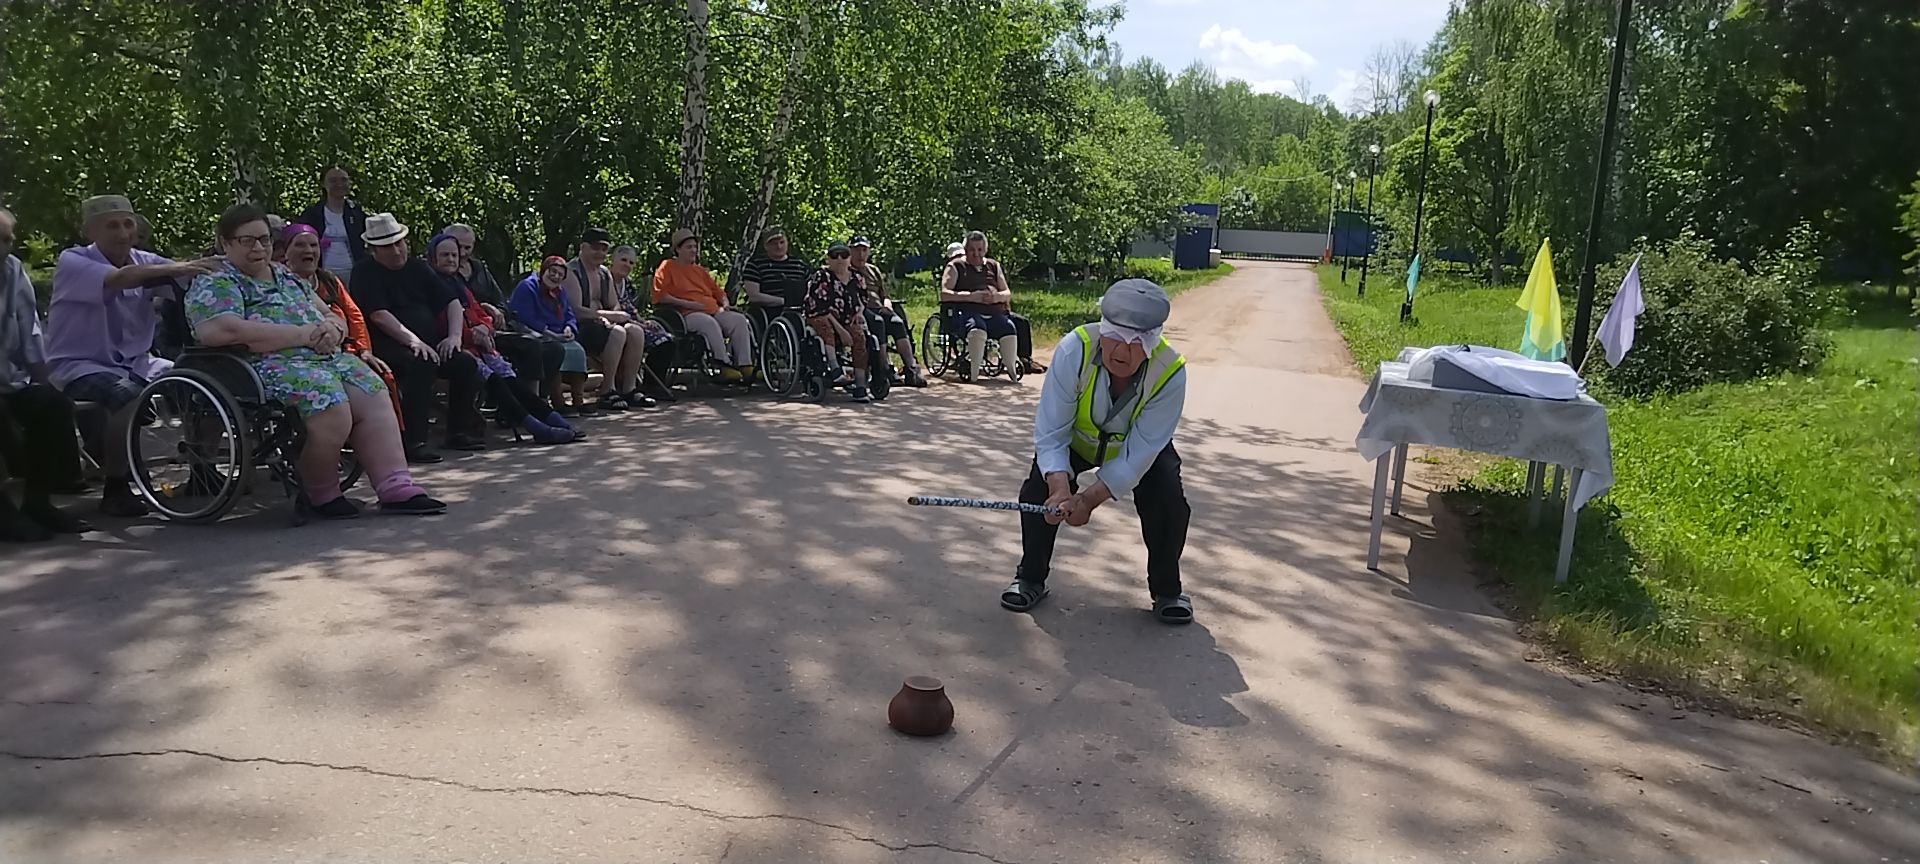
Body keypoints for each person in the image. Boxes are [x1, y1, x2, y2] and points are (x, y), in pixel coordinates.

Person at [185, 203, 444, 517]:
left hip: (322, 357)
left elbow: (328, 313)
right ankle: (321, 491)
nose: (258, 248)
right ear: (224, 243)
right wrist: (303, 335)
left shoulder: (284, 274)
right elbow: (219, 330)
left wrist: (334, 329)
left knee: (373, 389)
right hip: (260, 364)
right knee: (330, 403)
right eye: (247, 240)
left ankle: (395, 486)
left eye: (265, 240)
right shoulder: (217, 279)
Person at [1003, 279, 1192, 625]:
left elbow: (1140, 453)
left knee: (1167, 494)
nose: (1122, 352)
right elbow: (1051, 432)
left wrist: (1088, 500)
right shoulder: (1075, 349)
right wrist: (1060, 489)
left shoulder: (1171, 371)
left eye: (1137, 344)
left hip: (1133, 449)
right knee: (1037, 490)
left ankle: (1167, 590)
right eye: (1115, 339)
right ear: (1102, 331)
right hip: (1077, 441)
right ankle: (1030, 577)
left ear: (1153, 343)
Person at [46, 194, 222, 516]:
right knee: (127, 397)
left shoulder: (144, 259)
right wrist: (177, 267)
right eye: (112, 226)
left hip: (139, 362)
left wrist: (218, 265)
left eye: (128, 224)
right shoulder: (73, 260)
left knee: (208, 384)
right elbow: (119, 279)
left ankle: (203, 467)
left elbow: (184, 277)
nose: (123, 233)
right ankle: (116, 487)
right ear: (91, 232)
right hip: (79, 364)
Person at [349, 212, 486, 461]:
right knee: (421, 364)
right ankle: (414, 440)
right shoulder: (364, 272)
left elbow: (452, 301)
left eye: (399, 243)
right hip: (387, 345)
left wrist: (454, 337)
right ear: (373, 249)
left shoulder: (418, 268)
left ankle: (458, 431)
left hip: (429, 343)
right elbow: (379, 315)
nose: (396, 250)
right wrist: (414, 342)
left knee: (465, 363)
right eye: (388, 246)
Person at [425, 235, 579, 445]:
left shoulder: (458, 284)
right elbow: (439, 325)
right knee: (495, 381)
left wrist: (485, 328)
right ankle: (535, 427)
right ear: (433, 257)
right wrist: (475, 335)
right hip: (456, 347)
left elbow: (481, 313)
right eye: (445, 255)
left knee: (511, 380)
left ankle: (553, 420)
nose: (451, 259)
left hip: (480, 344)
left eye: (454, 254)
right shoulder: (430, 284)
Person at [0, 206, 93, 540]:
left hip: (8, 379)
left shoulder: (12, 271)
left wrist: (45, 381)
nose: (5, 247)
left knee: (53, 405)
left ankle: (38, 502)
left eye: (8, 239)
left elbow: (29, 332)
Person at [281, 223, 402, 426]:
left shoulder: (328, 280)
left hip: (345, 348)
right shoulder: (281, 283)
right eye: (300, 245)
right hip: (309, 354)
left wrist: (364, 350)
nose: (308, 250)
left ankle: (392, 437)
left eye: (313, 245)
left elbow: (354, 315)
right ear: (286, 251)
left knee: (382, 376)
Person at [440, 223, 562, 393]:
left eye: (467, 247)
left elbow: (502, 303)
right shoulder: (445, 273)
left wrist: (494, 312)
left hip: (495, 327)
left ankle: (536, 398)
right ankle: (526, 402)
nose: (463, 252)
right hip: (471, 334)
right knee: (530, 346)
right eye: (458, 246)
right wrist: (484, 314)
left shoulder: (480, 268)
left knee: (554, 348)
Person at [565, 227, 654, 410]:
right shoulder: (571, 271)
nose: (600, 253)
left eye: (604, 249)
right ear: (583, 247)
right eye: (595, 248)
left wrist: (612, 316)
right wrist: (607, 316)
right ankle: (607, 389)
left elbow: (614, 304)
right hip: (578, 327)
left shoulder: (604, 273)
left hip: (603, 325)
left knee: (635, 331)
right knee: (618, 332)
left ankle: (629, 388)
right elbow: (576, 310)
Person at [652, 228, 754, 382]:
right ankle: (723, 365)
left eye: (695, 247)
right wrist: (688, 304)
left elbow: (718, 292)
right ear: (678, 249)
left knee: (738, 320)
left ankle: (745, 365)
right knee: (709, 323)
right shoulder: (667, 267)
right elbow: (661, 296)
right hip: (686, 314)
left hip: (713, 310)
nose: (693, 250)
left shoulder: (699, 270)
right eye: (689, 247)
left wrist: (725, 303)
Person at [509, 256, 597, 415]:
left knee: (577, 351)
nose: (555, 277)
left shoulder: (560, 292)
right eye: (552, 272)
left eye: (560, 275)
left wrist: (569, 328)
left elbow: (569, 314)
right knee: (556, 352)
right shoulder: (528, 287)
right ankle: (559, 401)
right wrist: (549, 332)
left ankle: (578, 400)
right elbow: (524, 317)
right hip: (536, 333)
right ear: (544, 270)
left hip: (560, 334)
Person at [940, 231, 1019, 383]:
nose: (976, 254)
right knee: (977, 328)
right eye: (972, 250)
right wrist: (970, 296)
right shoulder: (955, 266)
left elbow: (1007, 292)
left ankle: (1012, 370)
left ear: (985, 250)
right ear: (966, 250)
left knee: (1008, 327)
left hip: (994, 311)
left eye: (980, 250)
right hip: (968, 312)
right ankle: (974, 373)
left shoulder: (993, 266)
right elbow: (945, 294)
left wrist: (996, 297)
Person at [849, 235, 926, 387]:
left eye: (864, 250)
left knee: (897, 322)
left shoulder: (873, 270)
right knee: (878, 323)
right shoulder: (847, 271)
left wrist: (887, 305)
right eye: (857, 250)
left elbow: (885, 295)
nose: (861, 254)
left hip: (880, 308)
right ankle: (884, 368)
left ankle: (911, 369)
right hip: (861, 310)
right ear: (850, 251)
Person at [801, 243, 874, 403]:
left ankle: (861, 385)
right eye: (834, 256)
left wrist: (859, 314)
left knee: (859, 335)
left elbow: (863, 299)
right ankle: (834, 368)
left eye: (843, 255)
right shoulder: (822, 276)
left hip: (847, 317)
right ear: (828, 259)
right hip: (821, 316)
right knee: (825, 327)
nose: (839, 259)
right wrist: (841, 331)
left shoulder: (857, 277)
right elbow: (820, 308)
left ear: (849, 258)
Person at [610, 243, 676, 402]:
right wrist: (636, 323)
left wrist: (643, 321)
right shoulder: (605, 280)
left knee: (666, 339)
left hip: (632, 322)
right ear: (613, 260)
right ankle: (625, 385)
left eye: (631, 263)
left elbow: (632, 309)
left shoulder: (629, 285)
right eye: (623, 260)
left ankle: (652, 384)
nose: (627, 265)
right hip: (615, 323)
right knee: (635, 332)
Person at [297, 166, 370, 287]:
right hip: (322, 276)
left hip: (355, 275)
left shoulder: (357, 213)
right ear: (323, 184)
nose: (339, 184)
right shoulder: (313, 213)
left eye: (343, 180)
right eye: (333, 180)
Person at [740, 227, 811, 324]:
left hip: (800, 310)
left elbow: (811, 289)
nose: (779, 246)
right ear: (766, 246)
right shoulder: (755, 265)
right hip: (770, 311)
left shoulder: (800, 265)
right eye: (774, 244)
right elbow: (754, 296)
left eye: (782, 242)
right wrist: (783, 301)